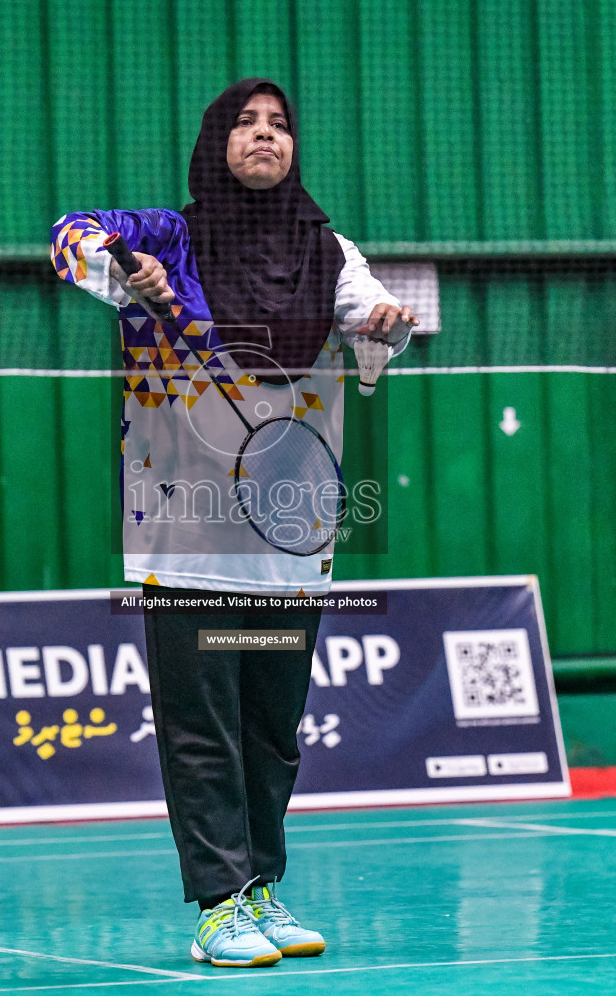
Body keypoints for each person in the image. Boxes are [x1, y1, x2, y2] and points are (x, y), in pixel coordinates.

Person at [50, 80, 414, 969]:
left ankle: (261, 890)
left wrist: (387, 325)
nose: (265, 137)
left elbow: (371, 325)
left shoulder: (329, 250)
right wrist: (127, 270)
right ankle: (216, 904)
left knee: (272, 731)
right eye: (247, 125)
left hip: (292, 535)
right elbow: (68, 239)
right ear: (216, 141)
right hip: (186, 535)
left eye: (280, 125)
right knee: (202, 730)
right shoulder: (170, 236)